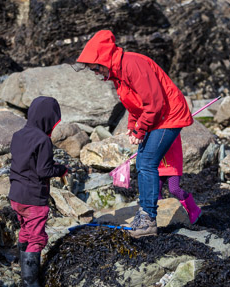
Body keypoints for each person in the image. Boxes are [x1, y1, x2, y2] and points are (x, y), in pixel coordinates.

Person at [76, 30, 193, 238]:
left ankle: (148, 219)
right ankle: (145, 214)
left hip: (169, 115)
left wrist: (141, 130)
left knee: (147, 162)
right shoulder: (118, 74)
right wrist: (132, 127)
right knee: (141, 163)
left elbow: (154, 103)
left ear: (103, 59)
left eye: (94, 68)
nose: (95, 73)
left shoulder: (132, 64)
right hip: (157, 117)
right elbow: (133, 104)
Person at [8, 96, 67, 287]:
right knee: (36, 237)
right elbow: (44, 171)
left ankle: (20, 264)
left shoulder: (18, 134)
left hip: (16, 195)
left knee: (25, 230)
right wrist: (61, 169)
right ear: (48, 120)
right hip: (33, 198)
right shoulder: (43, 140)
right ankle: (30, 285)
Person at [158, 134, 202, 224]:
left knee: (174, 189)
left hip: (173, 163)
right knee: (155, 190)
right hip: (159, 164)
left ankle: (193, 209)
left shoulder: (172, 127)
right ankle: (161, 214)